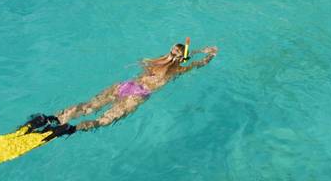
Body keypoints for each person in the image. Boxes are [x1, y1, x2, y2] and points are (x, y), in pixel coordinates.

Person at [55, 41, 218, 132]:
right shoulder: (177, 70)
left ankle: (55, 118)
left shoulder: (154, 62)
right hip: (138, 95)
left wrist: (196, 50)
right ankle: (72, 129)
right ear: (182, 58)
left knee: (88, 107)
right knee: (103, 120)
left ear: (170, 51)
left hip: (127, 85)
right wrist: (209, 54)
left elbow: (177, 56)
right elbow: (199, 64)